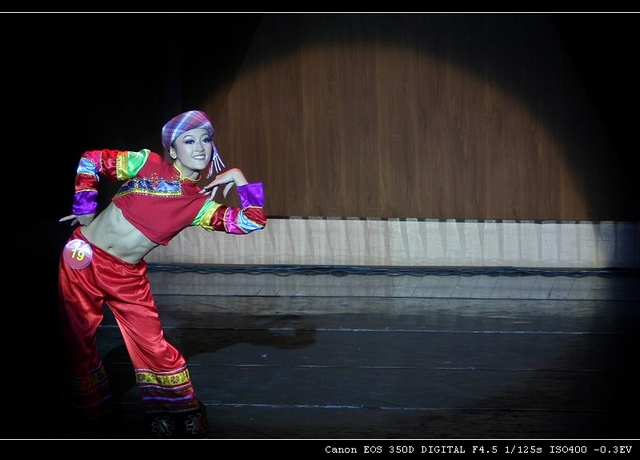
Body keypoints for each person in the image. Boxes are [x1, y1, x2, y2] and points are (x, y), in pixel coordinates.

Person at [57, 110, 267, 438]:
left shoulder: (199, 204)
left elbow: (252, 221)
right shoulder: (146, 163)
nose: (200, 147)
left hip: (125, 276)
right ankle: (91, 412)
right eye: (189, 141)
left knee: (153, 346)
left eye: (206, 140)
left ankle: (176, 415)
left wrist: (238, 178)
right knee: (77, 340)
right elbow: (92, 160)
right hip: (81, 259)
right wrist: (85, 208)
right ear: (172, 149)